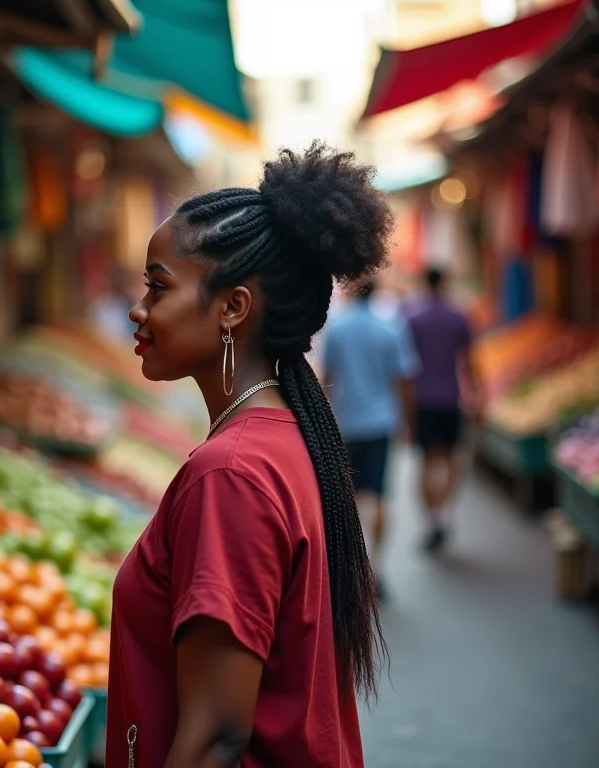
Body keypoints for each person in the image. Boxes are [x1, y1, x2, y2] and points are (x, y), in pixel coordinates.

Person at [107, 142, 393, 768]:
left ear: (234, 307)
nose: (138, 310)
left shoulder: (230, 474)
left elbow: (216, 738)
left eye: (158, 288)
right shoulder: (281, 439)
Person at [322, 281, 419, 592]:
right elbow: (402, 379)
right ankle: (375, 566)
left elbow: (327, 378)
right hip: (380, 423)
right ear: (377, 292)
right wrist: (406, 420)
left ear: (352, 291)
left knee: (347, 498)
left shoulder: (337, 328)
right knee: (378, 494)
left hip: (346, 423)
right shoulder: (390, 328)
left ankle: (353, 566)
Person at [406, 267, 482, 553]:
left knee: (426, 460)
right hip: (450, 398)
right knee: (451, 459)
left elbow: (403, 367)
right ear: (445, 283)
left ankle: (431, 519)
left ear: (424, 282)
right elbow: (469, 361)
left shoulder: (411, 318)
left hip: (421, 399)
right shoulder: (458, 317)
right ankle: (442, 514)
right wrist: (478, 396)